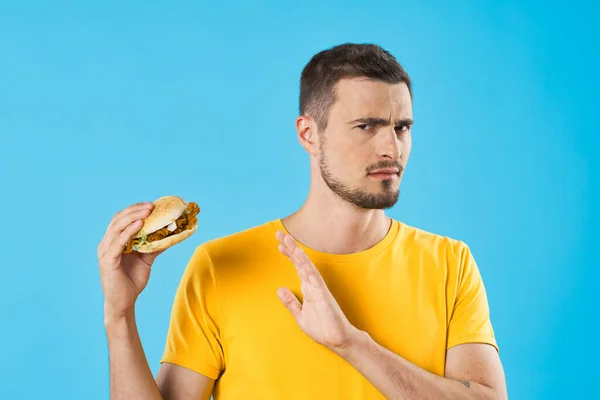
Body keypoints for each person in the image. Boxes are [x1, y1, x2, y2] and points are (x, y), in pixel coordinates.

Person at [97, 43, 508, 400]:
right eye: (367, 126)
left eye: (402, 127)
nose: (392, 147)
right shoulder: (220, 266)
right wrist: (120, 315)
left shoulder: (450, 264)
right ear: (309, 134)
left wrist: (351, 344)